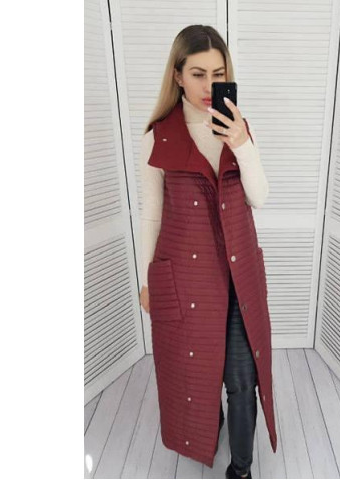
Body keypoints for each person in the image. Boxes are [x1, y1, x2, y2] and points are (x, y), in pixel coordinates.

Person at [139, 25, 277, 479]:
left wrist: (242, 145)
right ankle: (204, 429)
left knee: (242, 378)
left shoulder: (238, 129)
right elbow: (152, 215)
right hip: (185, 278)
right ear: (177, 75)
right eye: (197, 74)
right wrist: (146, 280)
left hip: (239, 279)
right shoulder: (157, 136)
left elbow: (259, 197)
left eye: (218, 74)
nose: (208, 85)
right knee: (193, 372)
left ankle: (241, 468)